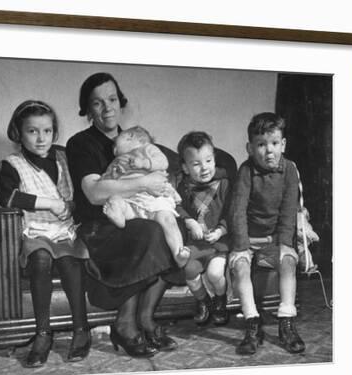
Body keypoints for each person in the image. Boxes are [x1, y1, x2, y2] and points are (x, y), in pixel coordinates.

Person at [66, 72, 180, 357]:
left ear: (121, 101)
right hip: (100, 223)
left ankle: (145, 316)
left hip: (138, 213)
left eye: (112, 99)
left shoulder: (135, 140)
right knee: (149, 232)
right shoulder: (81, 144)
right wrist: (142, 183)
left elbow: (162, 171)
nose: (107, 108)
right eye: (97, 103)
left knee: (175, 229)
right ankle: (126, 323)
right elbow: (94, 193)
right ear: (87, 109)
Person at [0, 100, 90, 368]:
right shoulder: (12, 163)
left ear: (54, 132)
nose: (41, 138)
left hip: (65, 231)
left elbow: (78, 195)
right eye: (32, 131)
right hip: (35, 230)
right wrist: (49, 203)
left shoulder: (63, 157)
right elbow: (7, 197)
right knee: (40, 259)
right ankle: (42, 333)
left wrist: (69, 206)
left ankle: (81, 329)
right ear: (18, 132)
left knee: (70, 262)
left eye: (47, 131)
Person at [228, 112, 305, 355]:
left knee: (289, 262)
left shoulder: (290, 170)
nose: (268, 151)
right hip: (248, 241)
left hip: (273, 241)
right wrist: (241, 246)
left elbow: (289, 210)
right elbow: (237, 211)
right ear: (250, 148)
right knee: (240, 267)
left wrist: (284, 243)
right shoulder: (246, 171)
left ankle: (286, 322)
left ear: (283, 144)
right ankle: (252, 325)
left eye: (274, 143)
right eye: (261, 145)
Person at [101, 125, 190, 267]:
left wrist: (144, 163)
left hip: (152, 198)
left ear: (132, 138)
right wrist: (105, 179)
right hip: (130, 200)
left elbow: (163, 162)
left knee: (168, 219)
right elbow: (106, 182)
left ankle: (178, 253)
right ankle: (118, 216)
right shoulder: (115, 162)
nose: (114, 147)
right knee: (115, 200)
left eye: (116, 142)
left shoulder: (146, 149)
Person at [176, 132, 231, 326]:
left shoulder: (224, 184)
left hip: (218, 243)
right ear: (185, 167)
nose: (204, 167)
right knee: (188, 269)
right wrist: (189, 221)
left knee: (215, 274)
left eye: (208, 160)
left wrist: (221, 231)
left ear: (214, 159)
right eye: (196, 164)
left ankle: (220, 300)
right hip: (197, 244)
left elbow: (231, 213)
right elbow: (177, 207)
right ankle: (203, 301)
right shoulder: (183, 187)